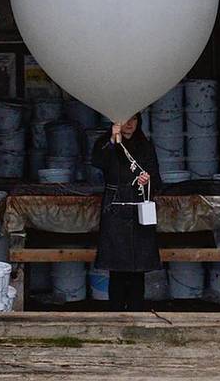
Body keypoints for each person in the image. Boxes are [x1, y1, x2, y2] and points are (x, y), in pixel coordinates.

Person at [91, 114, 161, 311]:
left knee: (138, 270)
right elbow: (97, 161)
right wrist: (112, 139)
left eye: (134, 120)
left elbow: (157, 178)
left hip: (139, 207)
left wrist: (147, 181)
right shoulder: (108, 144)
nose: (129, 125)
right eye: (125, 120)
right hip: (115, 209)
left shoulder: (146, 146)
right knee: (117, 269)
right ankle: (115, 313)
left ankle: (137, 312)